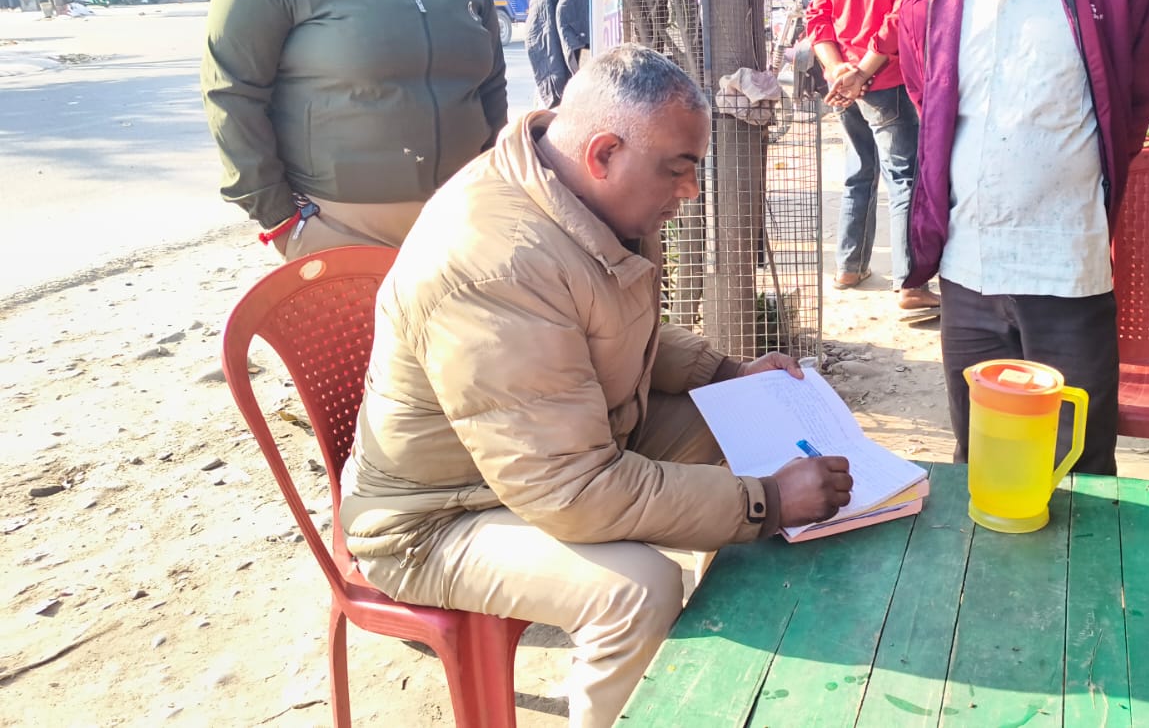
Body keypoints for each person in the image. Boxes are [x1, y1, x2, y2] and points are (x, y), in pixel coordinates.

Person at [339, 45, 855, 728]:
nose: (690, 191)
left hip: (557, 448)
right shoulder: (497, 262)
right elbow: (571, 491)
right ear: (604, 152)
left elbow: (614, 331)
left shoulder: (579, 198)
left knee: (744, 425)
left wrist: (726, 375)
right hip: (438, 517)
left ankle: (750, 663)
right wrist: (767, 502)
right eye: (678, 169)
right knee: (638, 589)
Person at [897, 0, 1149, 475]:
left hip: (1065, 270)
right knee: (983, 462)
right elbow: (930, 112)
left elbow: (1129, 109)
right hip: (968, 270)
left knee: (1079, 465)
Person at [202, 0, 506, 260]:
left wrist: (494, 175)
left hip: (461, 217)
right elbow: (232, 90)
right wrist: (279, 216)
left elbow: (490, 79)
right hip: (340, 225)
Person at [807, 0, 939, 310]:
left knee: (859, 170)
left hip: (845, 84)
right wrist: (860, 72)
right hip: (887, 82)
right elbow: (902, 19)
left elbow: (818, 19)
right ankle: (911, 285)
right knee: (903, 178)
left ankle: (849, 265)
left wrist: (839, 71)